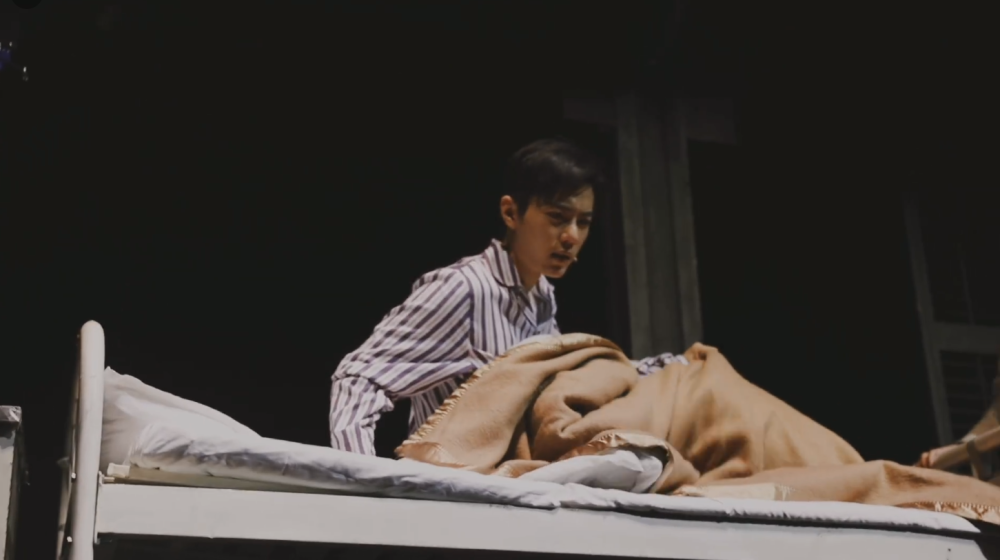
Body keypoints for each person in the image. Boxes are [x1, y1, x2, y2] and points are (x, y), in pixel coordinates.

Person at [329, 138, 685, 455]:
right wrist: (361, 484)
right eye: (557, 217)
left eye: (584, 222)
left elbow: (562, 380)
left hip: (510, 487)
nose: (571, 237)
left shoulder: (541, 297)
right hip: (452, 488)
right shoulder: (465, 288)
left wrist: (665, 369)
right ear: (511, 213)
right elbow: (360, 378)